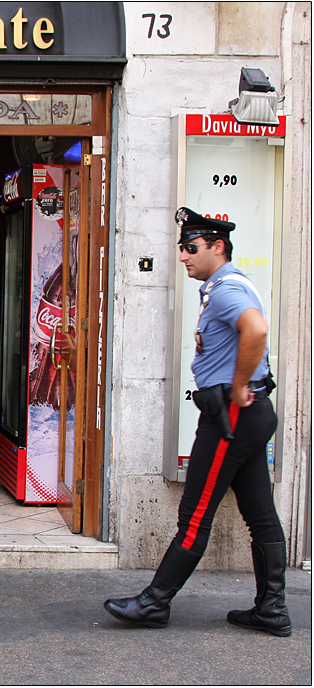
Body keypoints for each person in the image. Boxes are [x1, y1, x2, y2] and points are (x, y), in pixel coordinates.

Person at [104, 208, 291, 636]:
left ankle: (154, 602)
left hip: (232, 416)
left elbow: (257, 331)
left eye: (192, 248)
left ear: (217, 247)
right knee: (260, 511)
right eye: (182, 248)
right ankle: (272, 609)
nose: (184, 256)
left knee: (195, 514)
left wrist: (240, 385)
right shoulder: (223, 287)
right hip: (246, 413)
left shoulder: (226, 289)